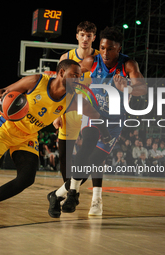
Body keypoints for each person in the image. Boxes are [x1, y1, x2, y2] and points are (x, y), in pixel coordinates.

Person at [0, 59, 111, 226]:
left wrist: (105, 132)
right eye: (74, 75)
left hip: (28, 137)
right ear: (61, 73)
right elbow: (2, 91)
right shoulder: (36, 81)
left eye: (79, 77)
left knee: (26, 178)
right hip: (6, 129)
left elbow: (95, 114)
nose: (77, 80)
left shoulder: (73, 100)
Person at [48, 27, 147, 217]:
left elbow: (143, 89)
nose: (105, 52)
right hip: (93, 114)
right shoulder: (92, 61)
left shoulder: (128, 64)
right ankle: (73, 194)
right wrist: (55, 82)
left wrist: (127, 87)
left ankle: (57, 194)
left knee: (93, 161)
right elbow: (69, 74)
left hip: (115, 120)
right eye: (102, 48)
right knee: (85, 149)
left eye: (110, 49)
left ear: (119, 49)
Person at [52, 21, 100, 208]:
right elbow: (59, 85)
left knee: (89, 156)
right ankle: (69, 191)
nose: (85, 38)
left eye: (89, 35)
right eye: (82, 34)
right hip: (70, 108)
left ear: (94, 38)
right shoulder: (66, 57)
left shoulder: (99, 57)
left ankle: (73, 191)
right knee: (65, 155)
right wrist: (56, 113)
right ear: (77, 36)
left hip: (90, 109)